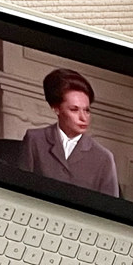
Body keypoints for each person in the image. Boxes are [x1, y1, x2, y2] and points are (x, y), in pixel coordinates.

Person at [20, 68, 119, 196]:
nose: (83, 118)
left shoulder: (104, 158)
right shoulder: (34, 139)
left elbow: (108, 205)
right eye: (74, 109)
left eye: (87, 110)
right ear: (56, 109)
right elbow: (20, 190)